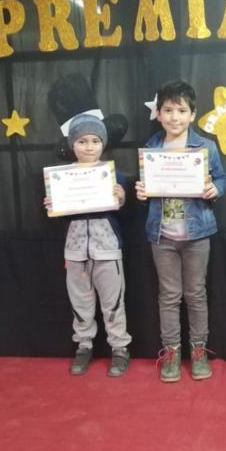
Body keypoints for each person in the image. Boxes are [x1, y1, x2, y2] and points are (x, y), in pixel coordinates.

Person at [135, 80, 226, 382]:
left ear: (192, 114)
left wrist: (215, 189)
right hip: (162, 235)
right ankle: (171, 352)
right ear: (159, 114)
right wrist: (142, 192)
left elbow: (222, 179)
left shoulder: (206, 147)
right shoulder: (151, 148)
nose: (174, 117)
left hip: (197, 234)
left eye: (181, 110)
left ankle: (199, 351)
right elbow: (146, 188)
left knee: (196, 295)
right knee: (169, 296)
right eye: (168, 110)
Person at [45, 113, 132, 377]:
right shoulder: (61, 177)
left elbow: (124, 209)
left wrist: (121, 197)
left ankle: (120, 348)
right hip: (75, 250)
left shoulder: (114, 174)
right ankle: (84, 346)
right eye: (82, 141)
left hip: (107, 249)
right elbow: (61, 213)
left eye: (95, 141)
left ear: (103, 144)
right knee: (80, 301)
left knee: (113, 302)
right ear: (72, 145)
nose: (89, 147)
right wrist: (53, 205)